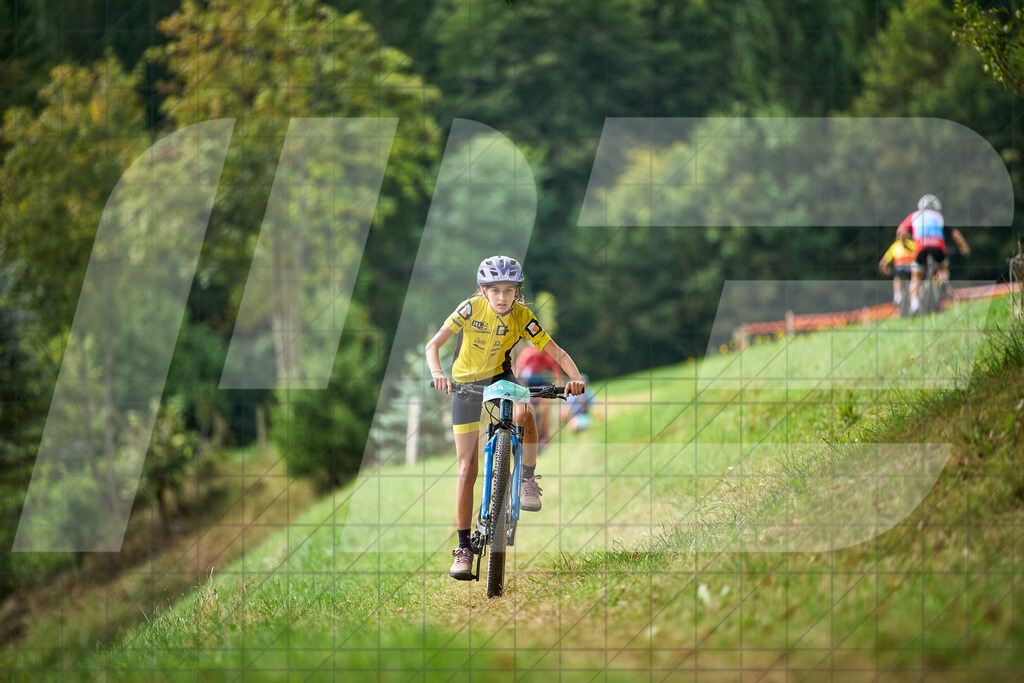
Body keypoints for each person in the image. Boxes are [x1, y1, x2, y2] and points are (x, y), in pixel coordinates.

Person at [426, 255, 586, 580]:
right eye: (495, 290)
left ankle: (527, 479)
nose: (502, 297)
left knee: (526, 412)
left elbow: (555, 350)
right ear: (483, 290)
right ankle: (463, 549)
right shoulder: (470, 309)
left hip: (500, 379)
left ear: (517, 291)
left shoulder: (522, 316)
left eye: (508, 290)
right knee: (466, 468)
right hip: (465, 385)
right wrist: (439, 373)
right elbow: (434, 345)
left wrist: (575, 377)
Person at [896, 194, 970, 314]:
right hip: (938, 247)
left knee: (916, 275)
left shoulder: (914, 215)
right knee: (942, 267)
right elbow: (955, 234)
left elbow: (900, 231)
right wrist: (964, 247)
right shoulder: (939, 216)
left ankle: (915, 304)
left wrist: (904, 244)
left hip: (921, 247)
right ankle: (944, 280)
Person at [514, 344, 563, 446]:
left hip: (540, 384)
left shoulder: (547, 356)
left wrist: (559, 387)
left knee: (546, 407)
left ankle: (544, 434)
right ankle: (518, 433)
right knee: (522, 409)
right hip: (526, 384)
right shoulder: (528, 353)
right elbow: (517, 370)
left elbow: (557, 373)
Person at [878, 233, 916, 311]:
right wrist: (886, 270)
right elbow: (883, 262)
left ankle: (914, 299)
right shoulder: (895, 246)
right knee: (897, 275)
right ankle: (898, 296)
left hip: (912, 269)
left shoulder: (913, 244)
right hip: (901, 269)